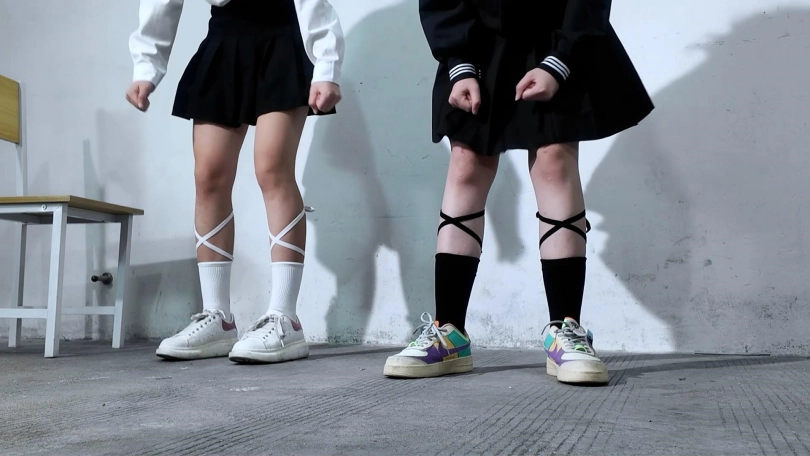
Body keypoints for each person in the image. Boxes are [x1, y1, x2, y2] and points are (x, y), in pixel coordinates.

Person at [383, 0, 654, 384]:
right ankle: (449, 332)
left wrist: (559, 61)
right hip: (477, 45)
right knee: (467, 163)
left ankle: (565, 328)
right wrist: (459, 64)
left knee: (553, 160)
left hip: (558, 40)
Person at [126, 0, 344, 363]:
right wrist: (146, 65)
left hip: (282, 33)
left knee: (272, 169)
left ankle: (285, 317)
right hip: (225, 38)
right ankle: (218, 318)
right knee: (208, 175)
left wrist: (327, 63)